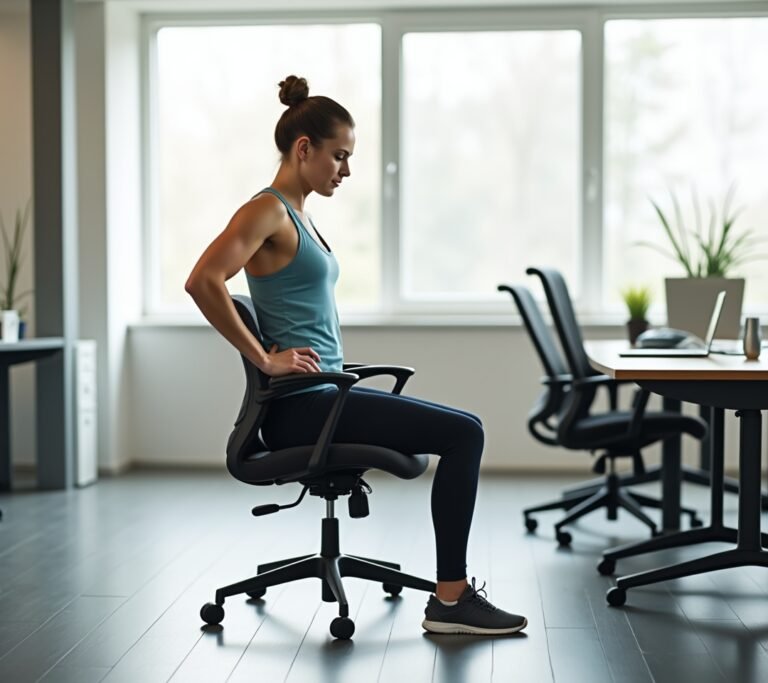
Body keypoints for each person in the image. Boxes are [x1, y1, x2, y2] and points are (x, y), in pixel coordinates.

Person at [185, 75, 527, 636]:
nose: (346, 170)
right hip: (302, 406)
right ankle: (450, 599)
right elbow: (203, 280)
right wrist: (265, 360)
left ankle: (452, 595)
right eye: (339, 156)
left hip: (322, 394)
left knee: (464, 429)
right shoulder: (266, 211)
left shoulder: (300, 216)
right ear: (304, 150)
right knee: (466, 434)